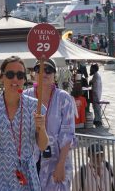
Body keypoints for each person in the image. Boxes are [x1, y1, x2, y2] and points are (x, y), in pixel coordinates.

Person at [0, 55, 49, 190]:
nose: (15, 79)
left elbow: (43, 146)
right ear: (2, 77)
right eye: (10, 74)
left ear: (24, 79)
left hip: (27, 176)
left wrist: (42, 127)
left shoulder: (35, 107)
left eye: (20, 75)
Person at [23, 59, 77, 190]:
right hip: (30, 162)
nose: (44, 73)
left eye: (49, 70)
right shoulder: (25, 97)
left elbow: (68, 134)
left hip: (57, 160)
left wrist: (61, 165)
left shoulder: (64, 98)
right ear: (33, 74)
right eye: (39, 69)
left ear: (55, 75)